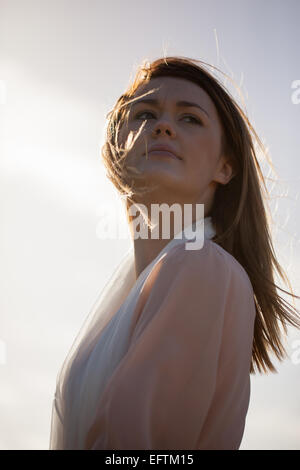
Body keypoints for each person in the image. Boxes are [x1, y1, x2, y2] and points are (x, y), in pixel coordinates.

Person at [49, 56, 300, 450]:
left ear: (225, 167)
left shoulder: (201, 266)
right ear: (117, 146)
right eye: (145, 114)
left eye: (190, 119)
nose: (162, 126)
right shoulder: (133, 295)